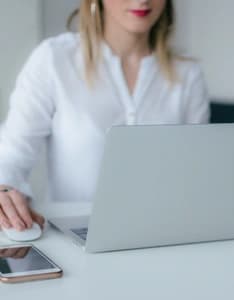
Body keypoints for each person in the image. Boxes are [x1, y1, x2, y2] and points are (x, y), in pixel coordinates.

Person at [0, 0, 210, 232]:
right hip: (72, 239)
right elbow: (12, 156)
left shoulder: (188, 75)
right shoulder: (54, 59)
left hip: (161, 235)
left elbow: (195, 174)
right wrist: (5, 190)